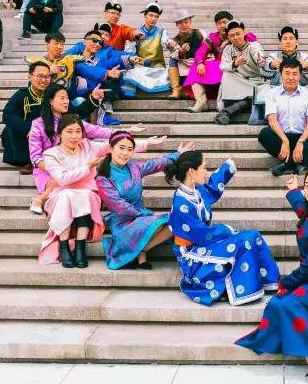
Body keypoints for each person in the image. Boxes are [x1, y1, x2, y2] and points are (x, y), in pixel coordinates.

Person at [236, 166, 308, 384]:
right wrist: (294, 190)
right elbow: (301, 207)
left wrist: (285, 282)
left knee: (286, 303)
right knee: (278, 303)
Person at [39, 116, 164, 267]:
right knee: (67, 196)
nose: (74, 136)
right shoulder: (51, 154)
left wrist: (147, 143)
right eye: (69, 131)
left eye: (78, 131)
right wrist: (88, 167)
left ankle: (80, 247)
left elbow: (115, 146)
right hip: (61, 195)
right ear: (60, 133)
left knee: (86, 195)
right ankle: (64, 246)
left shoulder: (88, 146)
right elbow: (63, 179)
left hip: (87, 194)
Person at [166, 151, 279, 305]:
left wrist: (227, 166)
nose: (206, 172)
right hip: (191, 253)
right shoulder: (181, 204)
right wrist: (226, 230)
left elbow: (212, 188)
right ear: (191, 171)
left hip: (205, 243)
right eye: (204, 168)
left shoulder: (196, 190)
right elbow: (201, 234)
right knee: (245, 240)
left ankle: (271, 283)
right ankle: (245, 291)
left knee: (254, 235)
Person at [28, 83, 133, 214]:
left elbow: (97, 131)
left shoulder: (72, 120)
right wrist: (57, 168)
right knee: (60, 179)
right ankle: (41, 199)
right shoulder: (38, 124)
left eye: (67, 98)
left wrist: (125, 132)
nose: (66, 101)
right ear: (50, 101)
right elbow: (35, 158)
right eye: (62, 98)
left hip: (74, 165)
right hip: (48, 170)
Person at [97, 133, 194, 270]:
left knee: (177, 221)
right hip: (123, 223)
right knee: (158, 223)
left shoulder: (133, 167)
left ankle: (141, 250)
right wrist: (145, 214)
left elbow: (155, 164)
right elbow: (119, 205)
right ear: (111, 148)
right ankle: (139, 254)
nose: (125, 153)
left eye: (129, 149)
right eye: (121, 148)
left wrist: (178, 154)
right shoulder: (103, 178)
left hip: (141, 216)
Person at [1, 62, 102, 173]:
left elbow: (77, 113)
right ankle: (27, 161)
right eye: (40, 76)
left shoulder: (53, 95)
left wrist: (93, 98)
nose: (44, 80)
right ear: (30, 76)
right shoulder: (21, 95)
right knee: (10, 128)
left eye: (47, 77)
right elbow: (8, 115)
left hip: (50, 133)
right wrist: (28, 129)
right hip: (28, 135)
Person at [258, 58, 308, 177]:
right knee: (264, 134)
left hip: (302, 138)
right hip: (281, 138)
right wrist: (285, 140)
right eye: (287, 73)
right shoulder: (272, 94)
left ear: (300, 75)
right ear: (281, 74)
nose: (291, 77)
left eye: (295, 74)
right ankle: (299, 165)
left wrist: (301, 142)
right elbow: (272, 121)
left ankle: (286, 165)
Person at [184, 10, 256, 113]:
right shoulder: (212, 37)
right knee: (196, 66)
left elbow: (253, 39)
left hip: (238, 68)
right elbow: (200, 52)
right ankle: (201, 101)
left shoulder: (240, 34)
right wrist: (200, 63)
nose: (222, 26)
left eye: (225, 22)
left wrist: (236, 35)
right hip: (220, 67)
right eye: (219, 23)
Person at [260, 25, 308, 123]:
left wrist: (306, 65)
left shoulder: (304, 56)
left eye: (291, 38)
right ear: (280, 43)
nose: (288, 41)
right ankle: (268, 118)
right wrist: (271, 65)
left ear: (296, 42)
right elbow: (264, 72)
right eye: (285, 39)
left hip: (300, 90)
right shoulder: (273, 56)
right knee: (263, 89)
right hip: (278, 91)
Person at [214, 20, 271, 125]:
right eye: (232, 36)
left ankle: (226, 112)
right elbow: (223, 66)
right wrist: (235, 63)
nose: (235, 37)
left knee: (259, 94)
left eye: (238, 34)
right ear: (228, 38)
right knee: (227, 74)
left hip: (257, 83)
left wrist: (260, 60)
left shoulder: (253, 45)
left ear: (244, 33)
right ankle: (231, 107)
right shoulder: (228, 49)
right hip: (240, 81)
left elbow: (258, 53)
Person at [122, 1, 177, 97]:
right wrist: (135, 59)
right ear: (145, 15)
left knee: (171, 72)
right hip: (141, 68)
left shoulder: (161, 32)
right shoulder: (136, 33)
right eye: (151, 15)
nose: (153, 19)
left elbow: (166, 41)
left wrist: (170, 43)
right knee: (129, 71)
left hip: (158, 68)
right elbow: (129, 51)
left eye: (156, 16)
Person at [24, 32, 89, 100]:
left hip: (67, 100)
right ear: (47, 44)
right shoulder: (38, 62)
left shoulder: (70, 59)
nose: (59, 47)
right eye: (56, 43)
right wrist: (48, 72)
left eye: (62, 44)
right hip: (43, 100)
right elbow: (32, 84)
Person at [167, 8, 205, 100]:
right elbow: (177, 55)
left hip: (198, 64)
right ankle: (176, 89)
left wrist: (200, 61)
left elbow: (207, 48)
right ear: (177, 24)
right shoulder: (175, 40)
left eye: (186, 22)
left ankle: (188, 89)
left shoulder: (200, 33)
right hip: (184, 67)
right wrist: (182, 51)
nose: (184, 25)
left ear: (190, 22)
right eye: (180, 23)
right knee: (172, 58)